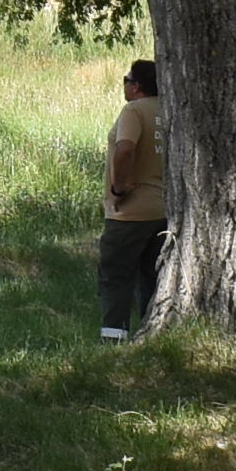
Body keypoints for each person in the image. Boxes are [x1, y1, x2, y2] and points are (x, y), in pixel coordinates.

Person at [97, 58, 165, 339]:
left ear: (136, 86)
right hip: (163, 210)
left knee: (116, 277)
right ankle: (152, 333)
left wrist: (119, 188)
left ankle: (113, 337)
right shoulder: (167, 109)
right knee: (152, 277)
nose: (124, 85)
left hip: (130, 213)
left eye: (126, 80)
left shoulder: (133, 111)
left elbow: (125, 149)